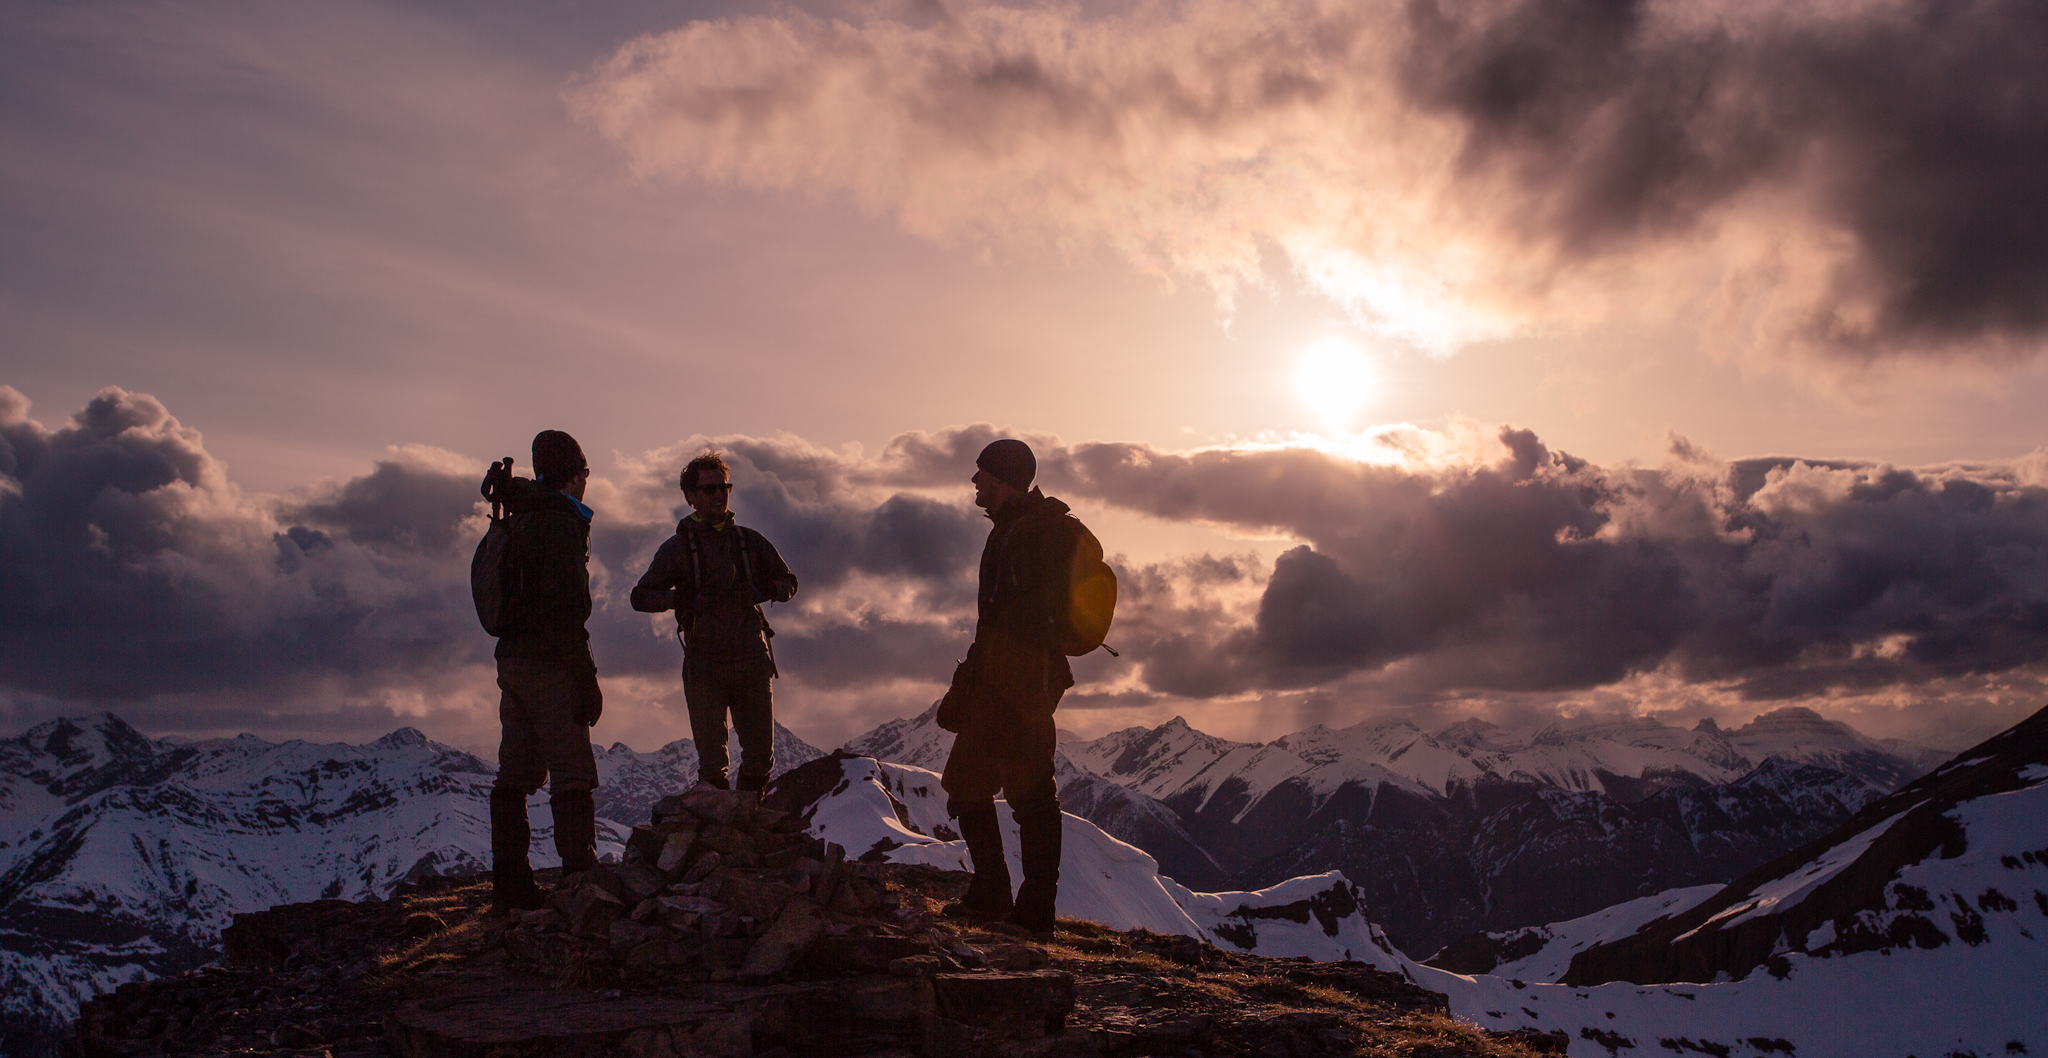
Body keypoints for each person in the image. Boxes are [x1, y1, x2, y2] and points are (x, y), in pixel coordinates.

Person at [937, 438, 1076, 935]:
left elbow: (1018, 617)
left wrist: (996, 673)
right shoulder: (1011, 530)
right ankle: (993, 893)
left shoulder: (1030, 533)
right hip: (1003, 682)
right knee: (967, 783)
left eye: (982, 474)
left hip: (1022, 687)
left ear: (1001, 478)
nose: (974, 481)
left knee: (1031, 794)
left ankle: (1034, 910)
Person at [631, 451, 799, 792]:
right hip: (704, 664)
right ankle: (722, 828)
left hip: (750, 659)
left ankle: (743, 823)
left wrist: (761, 590)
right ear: (690, 497)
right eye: (710, 489)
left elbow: (790, 583)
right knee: (712, 763)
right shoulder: (678, 547)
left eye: (724, 487)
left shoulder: (749, 542)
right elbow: (641, 597)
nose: (719, 495)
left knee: (760, 757)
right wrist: (683, 599)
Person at [488, 429, 604, 914]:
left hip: (511, 659)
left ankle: (511, 888)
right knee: (572, 770)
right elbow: (567, 608)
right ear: (575, 475)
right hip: (550, 661)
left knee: (516, 771)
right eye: (585, 474)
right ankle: (581, 882)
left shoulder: (519, 516)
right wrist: (585, 674)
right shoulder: (559, 524)